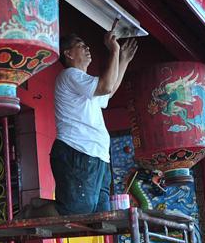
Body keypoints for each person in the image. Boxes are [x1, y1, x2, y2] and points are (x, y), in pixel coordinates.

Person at [20, 20, 138, 218]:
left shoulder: (84, 82)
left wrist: (123, 60)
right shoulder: (70, 75)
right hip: (78, 151)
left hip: (97, 155)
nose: (87, 48)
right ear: (68, 53)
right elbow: (106, 86)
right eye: (81, 46)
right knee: (76, 211)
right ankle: (33, 211)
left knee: (99, 213)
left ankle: (40, 204)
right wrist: (114, 51)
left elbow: (107, 93)